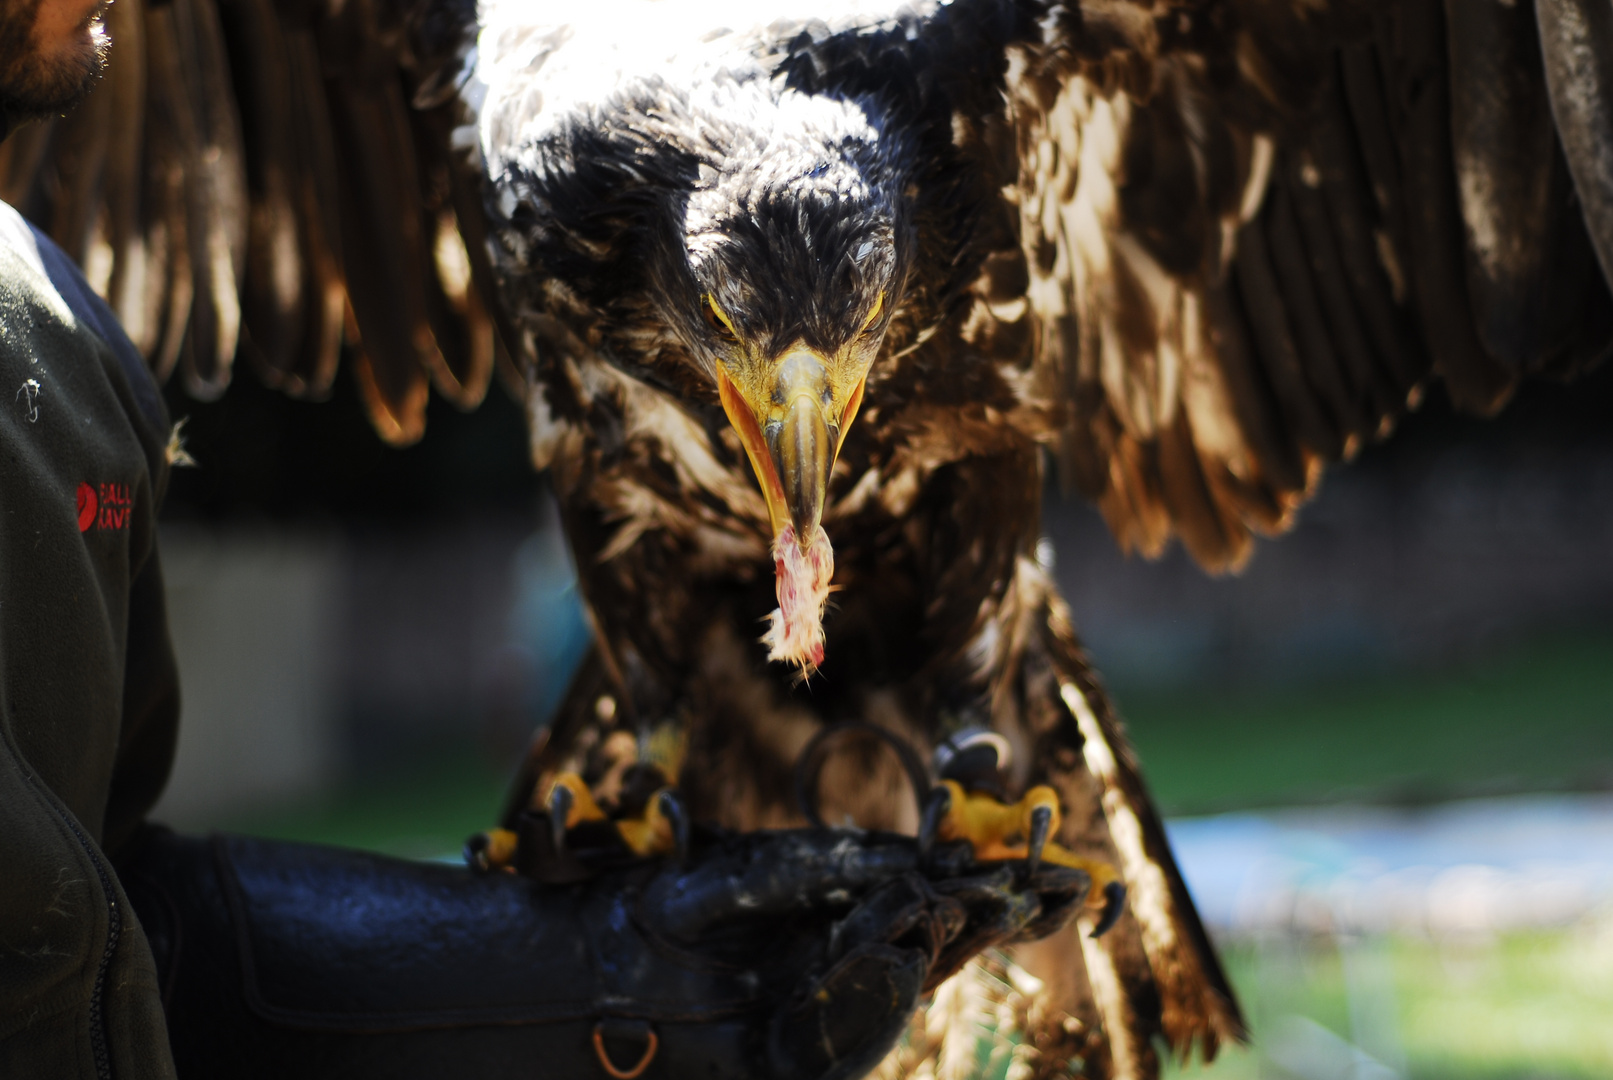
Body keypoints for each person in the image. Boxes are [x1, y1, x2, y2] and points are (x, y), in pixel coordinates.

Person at [0, 7, 1082, 1078]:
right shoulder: (40, 353)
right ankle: (663, 750)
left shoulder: (62, 352)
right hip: (661, 634)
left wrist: (571, 976)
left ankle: (951, 747)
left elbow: (101, 913)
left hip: (955, 637)